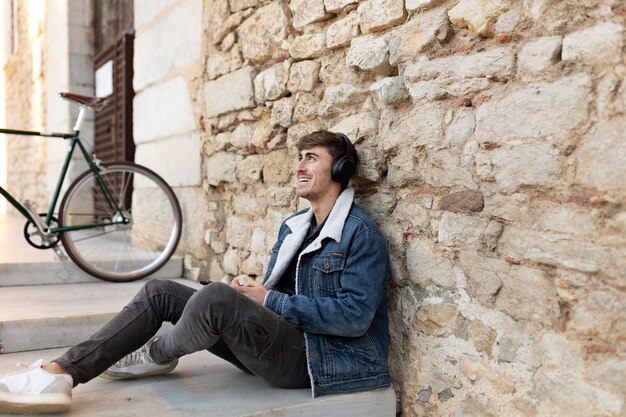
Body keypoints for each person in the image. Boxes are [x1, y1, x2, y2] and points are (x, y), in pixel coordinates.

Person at [0, 130, 390, 414]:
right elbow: (280, 293)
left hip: (313, 359)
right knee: (161, 291)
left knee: (215, 299)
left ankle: (154, 353)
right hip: (278, 339)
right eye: (299, 157)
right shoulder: (295, 226)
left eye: (311, 158)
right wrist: (254, 291)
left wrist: (268, 299)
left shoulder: (359, 233)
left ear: (340, 168)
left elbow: (354, 318)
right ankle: (62, 372)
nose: (299, 166)